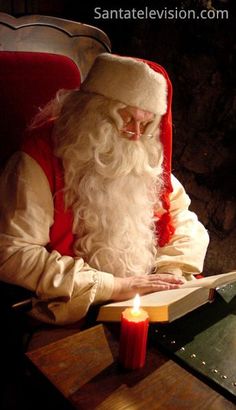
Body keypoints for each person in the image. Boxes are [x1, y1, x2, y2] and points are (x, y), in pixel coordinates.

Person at [0, 53, 209, 325]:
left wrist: (171, 272)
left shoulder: (138, 149)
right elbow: (13, 254)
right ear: (91, 113)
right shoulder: (37, 160)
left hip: (141, 300)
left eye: (145, 124)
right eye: (124, 119)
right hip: (77, 305)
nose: (135, 135)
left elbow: (180, 216)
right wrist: (115, 286)